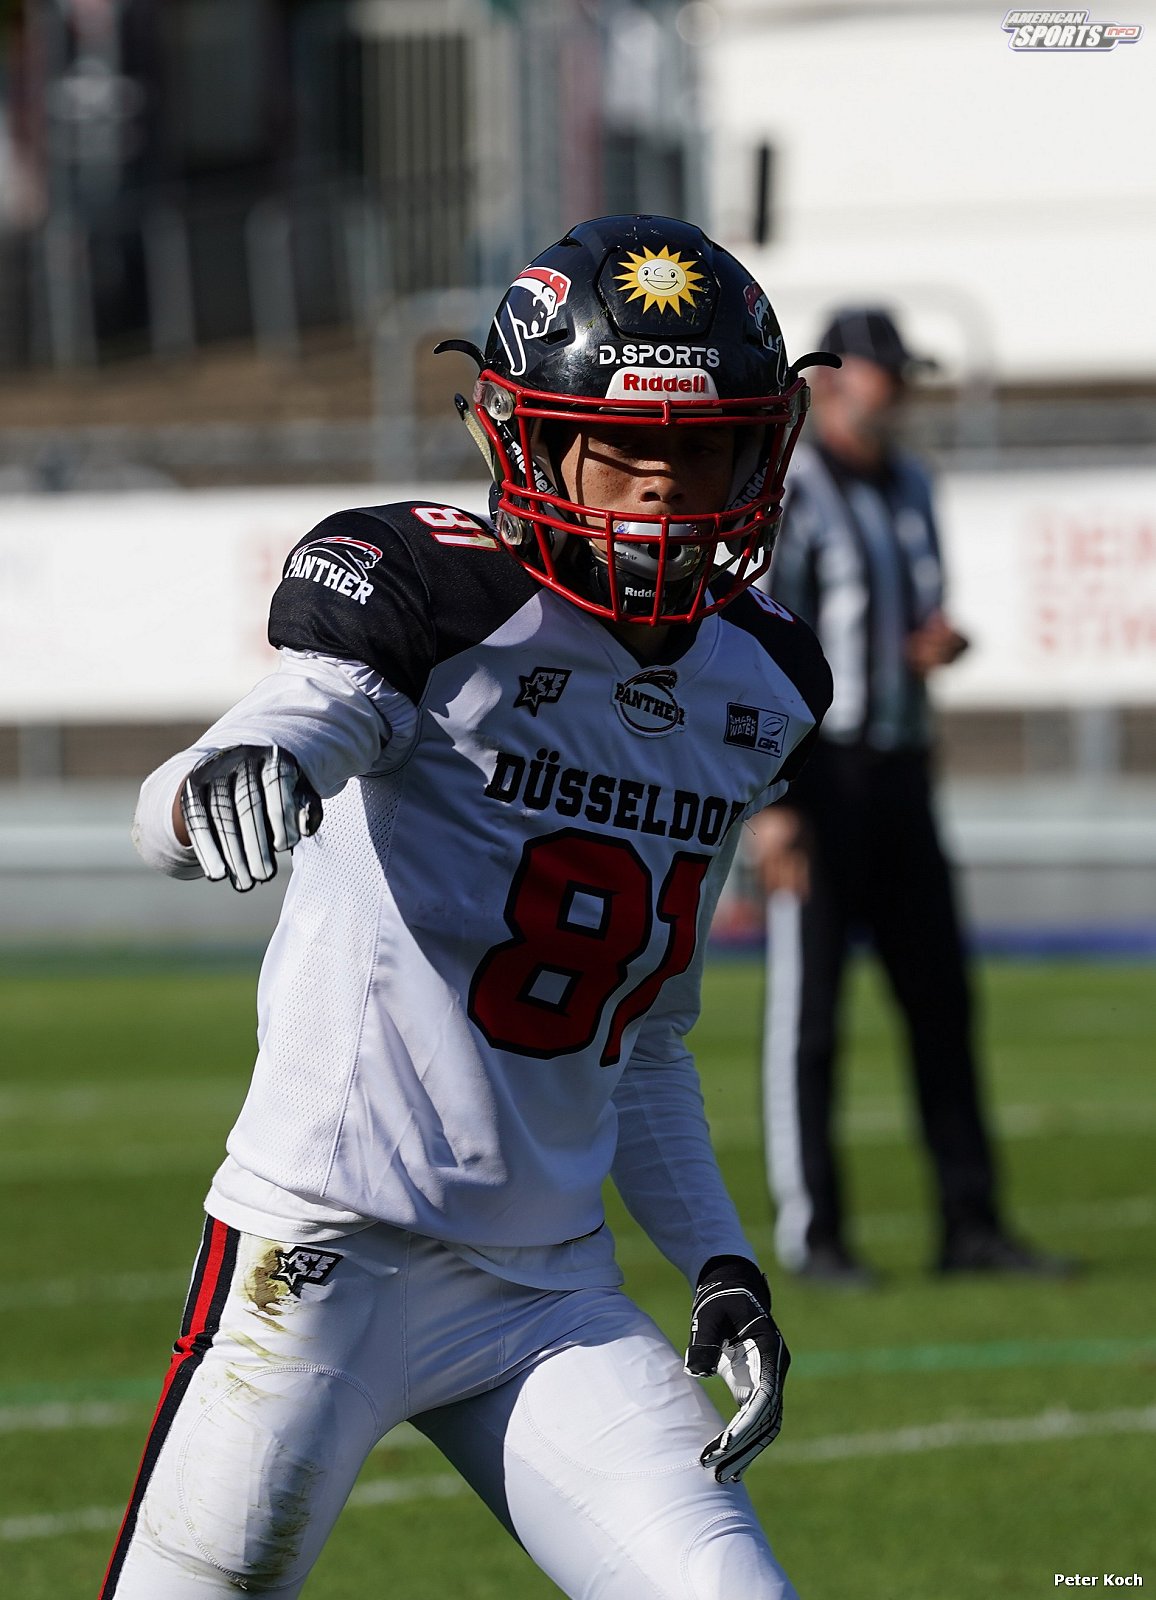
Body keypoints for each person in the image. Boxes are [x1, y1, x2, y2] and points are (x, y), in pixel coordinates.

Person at [103, 215, 834, 1600]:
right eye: (620, 447)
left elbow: (644, 1038)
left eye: (704, 449)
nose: (666, 489)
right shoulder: (437, 598)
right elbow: (279, 731)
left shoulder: (762, 681)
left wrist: (719, 1257)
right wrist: (223, 781)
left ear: (763, 450)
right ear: (527, 440)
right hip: (321, 1255)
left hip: (549, 1293)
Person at [752, 306, 1071, 1287]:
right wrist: (773, 800)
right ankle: (816, 1233)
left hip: (901, 768)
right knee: (810, 1017)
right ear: (832, 379)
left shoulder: (913, 482)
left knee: (941, 1002)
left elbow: (912, 612)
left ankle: (970, 1223)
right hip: (822, 774)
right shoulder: (794, 492)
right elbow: (765, 639)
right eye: (881, 370)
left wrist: (935, 644)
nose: (894, 390)